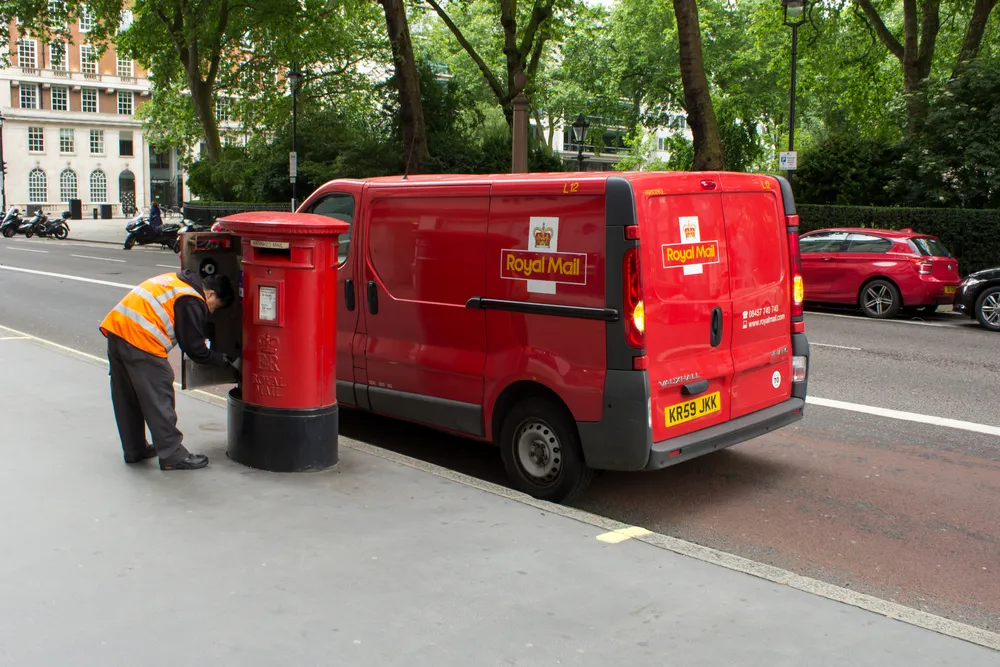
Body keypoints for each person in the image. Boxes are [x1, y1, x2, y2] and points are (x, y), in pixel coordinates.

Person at [99, 270, 239, 470]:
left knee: (127, 396)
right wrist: (222, 361)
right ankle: (172, 455)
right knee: (159, 395)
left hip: (117, 331)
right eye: (214, 308)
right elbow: (194, 348)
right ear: (211, 294)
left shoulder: (176, 281)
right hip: (142, 339)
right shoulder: (192, 299)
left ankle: (135, 450)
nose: (210, 312)